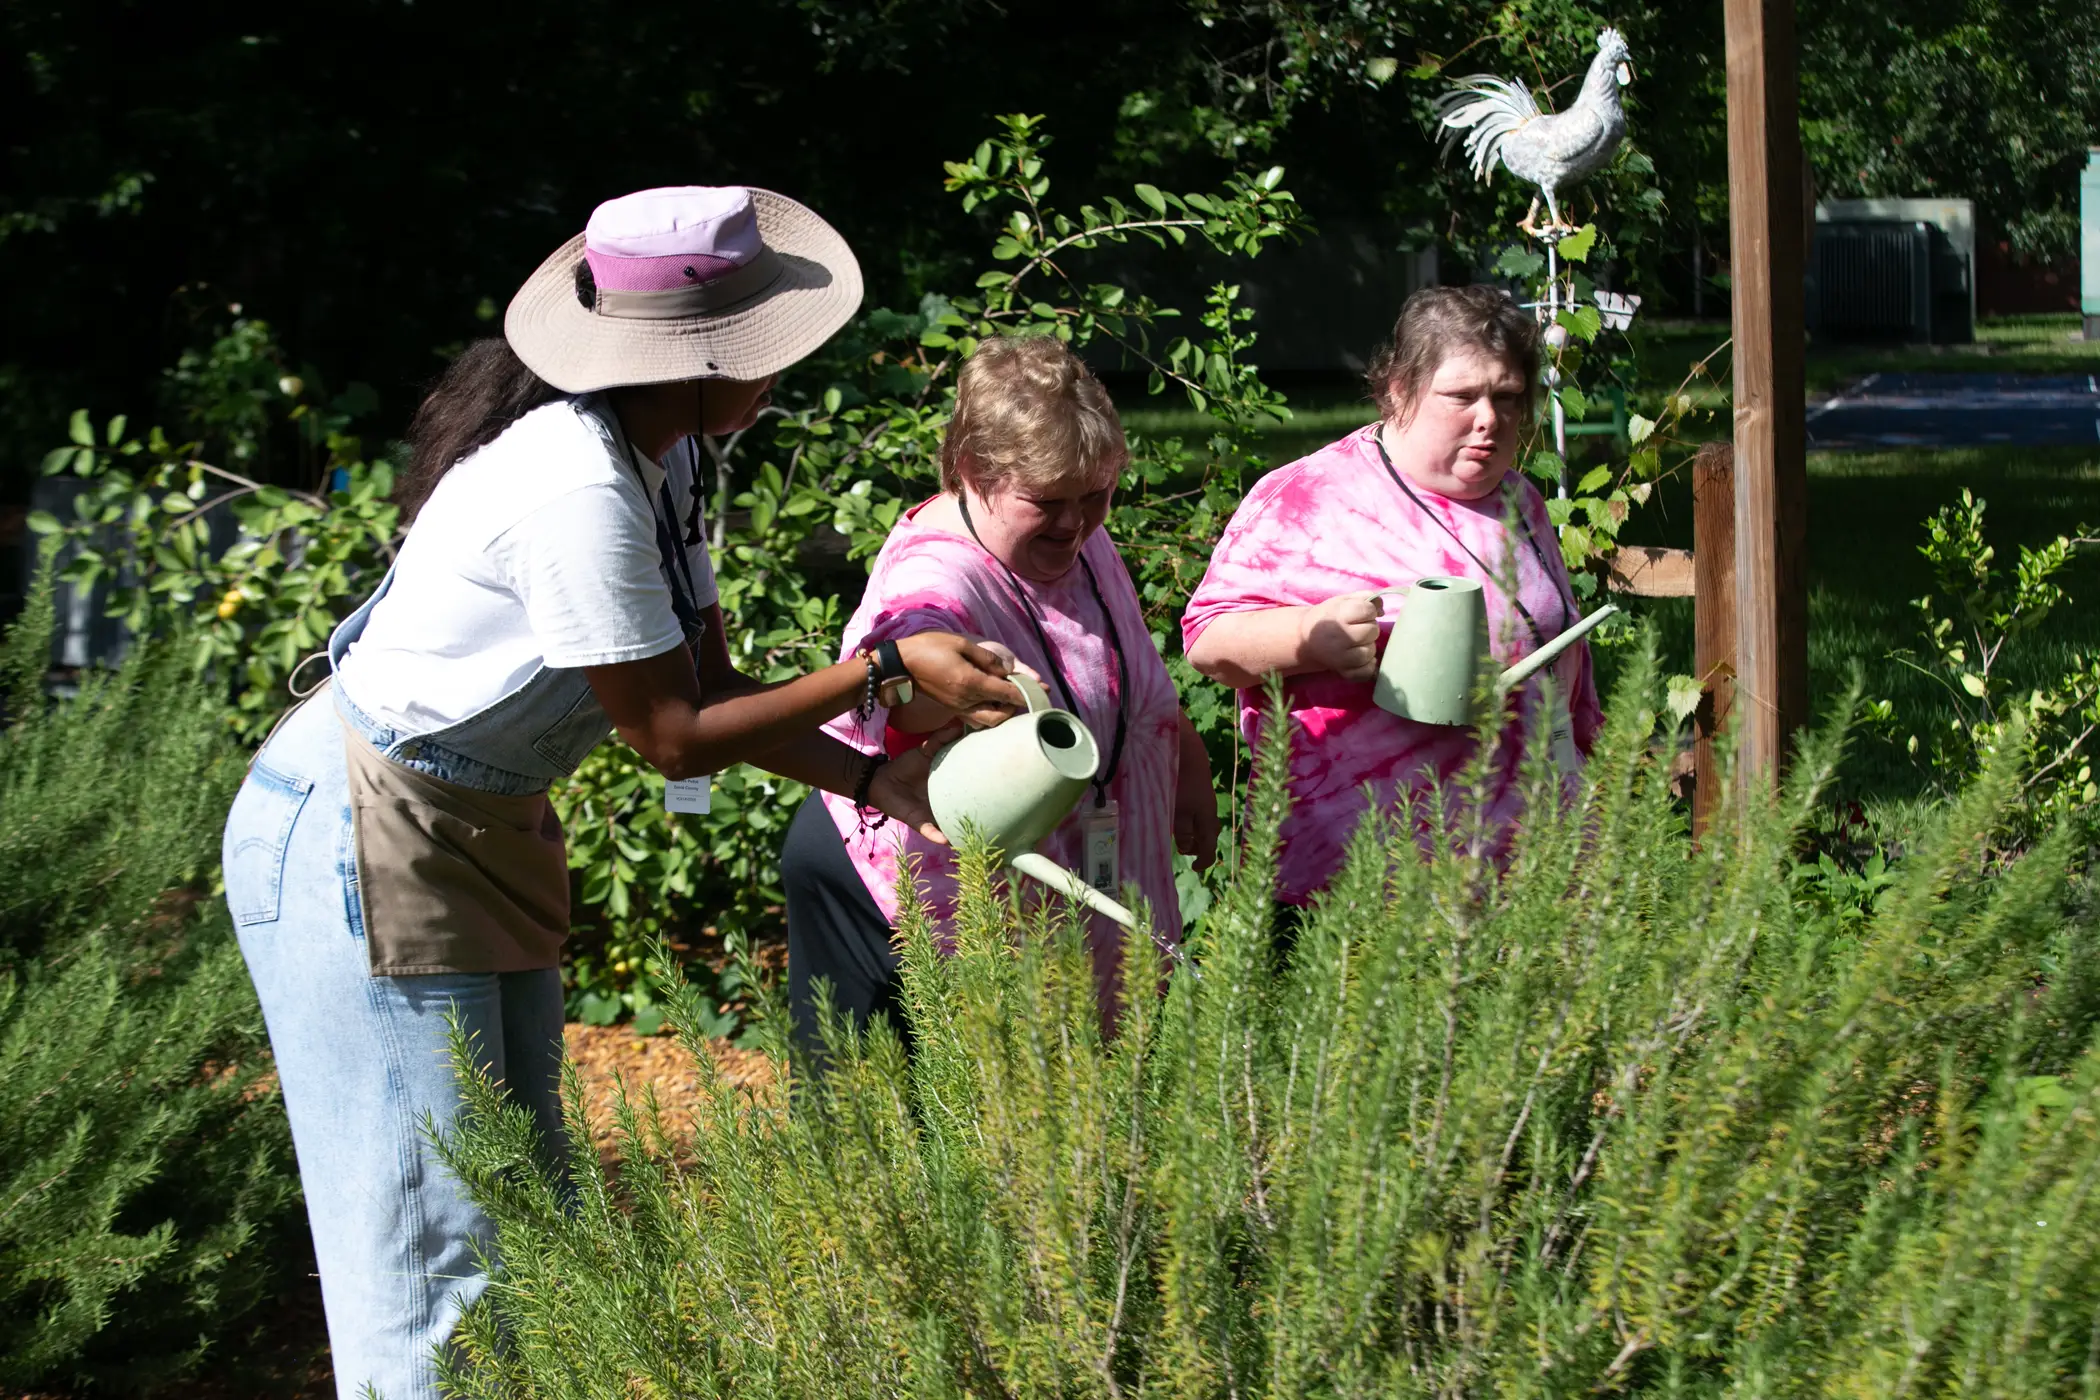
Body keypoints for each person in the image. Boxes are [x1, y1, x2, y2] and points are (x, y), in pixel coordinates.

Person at [219, 186, 1024, 1400]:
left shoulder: (668, 457)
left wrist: (876, 778)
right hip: (361, 835)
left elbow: (710, 686)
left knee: (530, 1217)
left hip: (472, 823)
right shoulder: (574, 489)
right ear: (687, 357)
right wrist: (882, 667)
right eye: (762, 344)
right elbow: (672, 737)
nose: (785, 368)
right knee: (435, 1267)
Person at [781, 335, 1219, 1045]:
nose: (1076, 521)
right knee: (919, 1130)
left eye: (1097, 494)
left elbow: (1118, 659)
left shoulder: (1065, 530)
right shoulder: (932, 582)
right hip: (915, 904)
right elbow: (906, 698)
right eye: (1048, 502)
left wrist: (1184, 756)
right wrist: (942, 691)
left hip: (1071, 883)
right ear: (970, 471)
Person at [1181, 284, 1602, 910]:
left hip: (1527, 873)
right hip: (1361, 880)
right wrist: (1309, 636)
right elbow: (1208, 642)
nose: (1489, 418)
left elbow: (1563, 670)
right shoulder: (1309, 499)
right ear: (1398, 390)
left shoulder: (1521, 503)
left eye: (1508, 397)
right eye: (1462, 396)